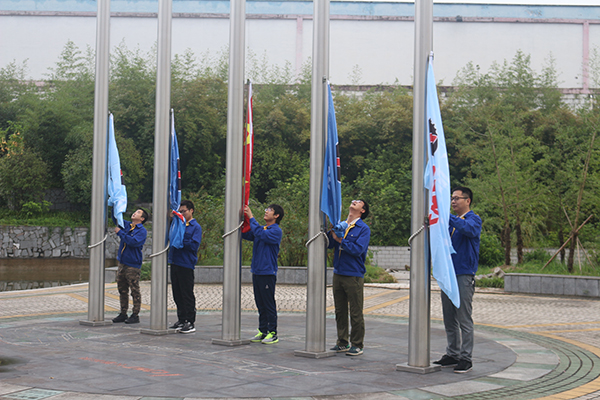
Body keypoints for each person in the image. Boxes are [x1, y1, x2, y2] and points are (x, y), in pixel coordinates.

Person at [434, 186, 482, 373]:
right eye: (452, 198)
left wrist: (446, 217)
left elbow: (468, 230)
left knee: (463, 318)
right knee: (449, 317)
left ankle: (466, 358)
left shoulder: (473, 219)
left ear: (467, 201)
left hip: (463, 274)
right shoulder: (451, 222)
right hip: (448, 274)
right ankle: (452, 353)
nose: (453, 201)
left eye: (457, 198)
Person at [328, 199, 371, 356]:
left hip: (353, 274)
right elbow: (329, 244)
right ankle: (342, 341)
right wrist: (331, 232)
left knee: (355, 311)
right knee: (340, 310)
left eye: (358, 202)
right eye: (354, 201)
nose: (354, 202)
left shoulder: (363, 229)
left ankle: (357, 344)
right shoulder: (342, 225)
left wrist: (340, 240)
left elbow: (358, 249)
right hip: (338, 272)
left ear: (362, 210)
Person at [242, 204, 284, 345]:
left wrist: (251, 217)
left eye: (269, 210)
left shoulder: (275, 231)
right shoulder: (262, 229)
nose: (266, 212)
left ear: (276, 216)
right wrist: (242, 222)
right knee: (260, 303)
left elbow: (260, 234)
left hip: (267, 272)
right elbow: (249, 234)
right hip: (257, 271)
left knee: (268, 303)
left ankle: (273, 332)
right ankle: (263, 330)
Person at [168, 200, 203, 334]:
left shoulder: (195, 227)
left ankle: (190, 320)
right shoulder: (177, 224)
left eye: (184, 211)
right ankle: (181, 319)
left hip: (186, 263)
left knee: (186, 293)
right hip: (175, 261)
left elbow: (194, 245)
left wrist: (180, 239)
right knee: (177, 293)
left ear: (191, 211)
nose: (182, 214)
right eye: (180, 211)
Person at [112, 208, 149, 324]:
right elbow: (116, 219)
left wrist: (120, 232)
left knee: (134, 290)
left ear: (142, 219)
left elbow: (133, 242)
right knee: (122, 289)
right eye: (135, 211)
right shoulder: (127, 225)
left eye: (138, 213)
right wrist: (115, 206)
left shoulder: (141, 231)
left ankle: (135, 314)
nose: (134, 213)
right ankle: (123, 313)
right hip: (122, 263)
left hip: (133, 264)